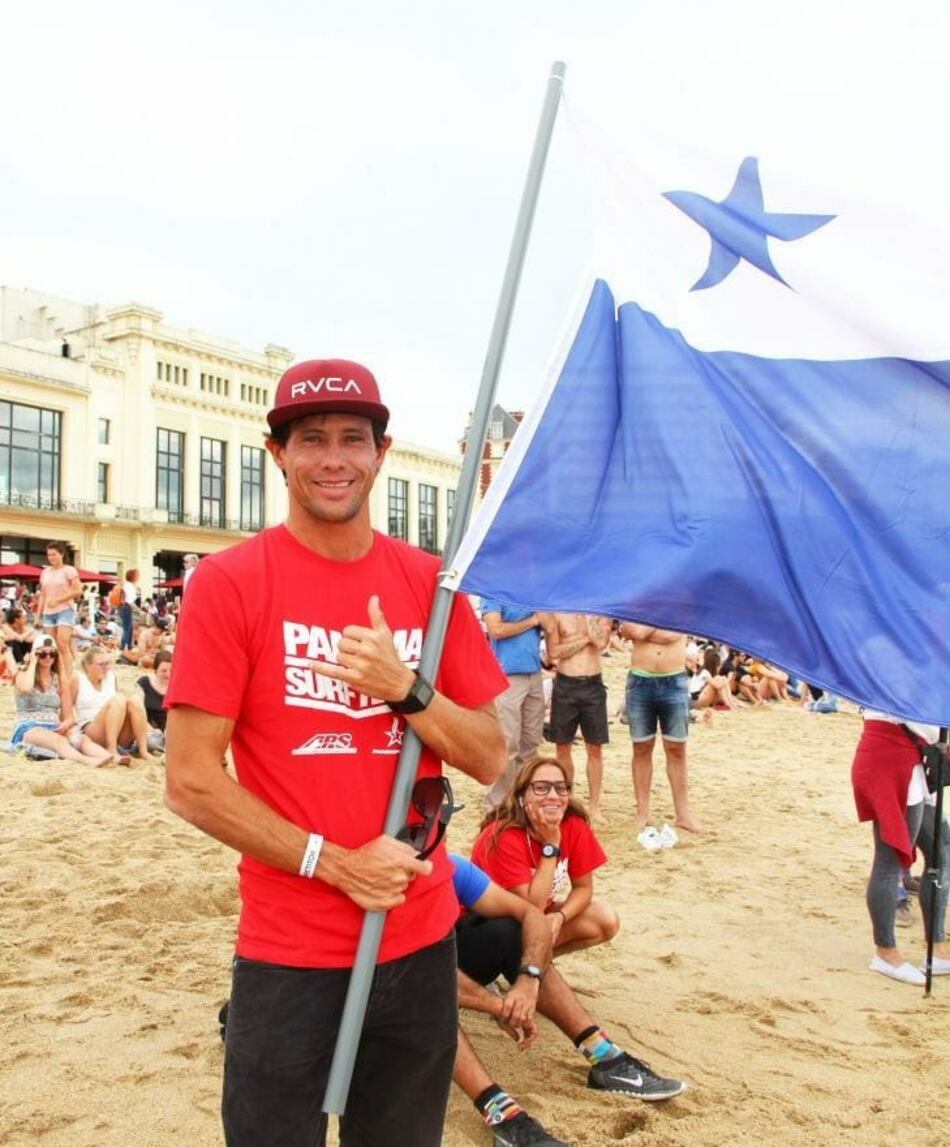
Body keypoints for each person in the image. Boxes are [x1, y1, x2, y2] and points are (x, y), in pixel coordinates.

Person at [163, 357, 508, 1147]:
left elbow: (491, 756)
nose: (333, 458)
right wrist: (335, 861)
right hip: (290, 950)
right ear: (276, 452)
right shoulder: (229, 583)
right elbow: (189, 780)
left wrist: (405, 687)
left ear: (381, 454)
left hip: (420, 940)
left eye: (353, 438)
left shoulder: (431, 584)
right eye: (310, 438)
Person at [452, 853, 686, 1146]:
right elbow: (421, 972)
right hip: (390, 990)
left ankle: (604, 1058)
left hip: (438, 966)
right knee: (423, 995)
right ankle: (502, 1115)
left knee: (510, 931)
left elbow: (531, 914)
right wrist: (496, 1005)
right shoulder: (385, 879)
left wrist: (528, 980)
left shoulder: (448, 866)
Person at [472, 757, 618, 956]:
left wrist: (560, 916)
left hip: (532, 919)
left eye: (561, 788)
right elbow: (533, 907)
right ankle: (521, 966)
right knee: (519, 929)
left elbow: (583, 888)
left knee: (604, 918)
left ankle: (535, 964)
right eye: (541, 788)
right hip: (489, 926)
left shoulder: (572, 824)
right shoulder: (503, 835)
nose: (553, 796)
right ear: (522, 796)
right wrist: (551, 846)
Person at [851, 711, 950, 984]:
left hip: (913, 758)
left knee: (941, 848)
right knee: (888, 860)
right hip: (892, 758)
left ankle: (938, 948)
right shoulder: (898, 673)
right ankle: (886, 952)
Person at [620, 624, 702, 834]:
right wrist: (654, 631)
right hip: (640, 680)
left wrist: (645, 630)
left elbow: (670, 635)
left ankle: (683, 814)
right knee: (641, 747)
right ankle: (643, 811)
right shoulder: (636, 599)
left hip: (674, 680)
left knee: (676, 749)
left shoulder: (679, 601)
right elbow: (635, 632)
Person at [539, 613, 611, 822]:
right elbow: (553, 653)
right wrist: (584, 639)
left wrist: (589, 621)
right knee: (563, 747)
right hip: (565, 684)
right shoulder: (559, 614)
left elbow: (600, 642)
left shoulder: (598, 613)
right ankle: (566, 799)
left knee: (595, 748)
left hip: (593, 684)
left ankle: (595, 805)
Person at [480, 600, 545, 810]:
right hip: (507, 675)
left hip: (533, 672)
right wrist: (533, 620)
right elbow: (495, 629)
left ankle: (522, 800)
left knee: (531, 743)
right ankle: (496, 804)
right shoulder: (494, 591)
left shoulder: (529, 589)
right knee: (507, 743)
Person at [11, 638, 113, 765]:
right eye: (42, 654)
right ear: (35, 655)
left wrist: (64, 725)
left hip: (53, 726)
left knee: (82, 739)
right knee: (59, 741)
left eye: (52, 654)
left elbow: (69, 716)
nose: (48, 657)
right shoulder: (23, 673)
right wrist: (32, 663)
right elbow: (26, 688)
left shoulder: (58, 679)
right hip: (28, 727)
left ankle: (111, 758)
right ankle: (88, 761)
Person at [67, 645, 154, 764]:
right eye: (101, 665)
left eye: (107, 664)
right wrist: (70, 730)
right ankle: (111, 749)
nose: (106, 668)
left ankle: (143, 751)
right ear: (88, 666)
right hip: (91, 728)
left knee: (134, 700)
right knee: (118, 699)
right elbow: (66, 708)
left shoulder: (111, 676)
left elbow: (123, 707)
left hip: (116, 727)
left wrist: (148, 727)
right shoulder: (78, 678)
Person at [36, 541, 81, 679]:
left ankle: (69, 675)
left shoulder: (69, 570)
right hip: (48, 613)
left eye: (54, 554)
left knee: (62, 643)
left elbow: (78, 590)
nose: (51, 557)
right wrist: (38, 615)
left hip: (65, 610)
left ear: (61, 554)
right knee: (52, 646)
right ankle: (57, 674)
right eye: (49, 555)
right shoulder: (45, 572)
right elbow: (43, 595)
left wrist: (59, 600)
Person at [136, 649, 172, 750]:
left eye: (171, 670)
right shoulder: (144, 683)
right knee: (151, 742)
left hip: (170, 732)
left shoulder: (176, 687)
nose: (168, 675)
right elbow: (138, 711)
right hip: (148, 729)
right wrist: (151, 729)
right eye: (163, 671)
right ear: (155, 669)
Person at [119, 568, 140, 652]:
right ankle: (124, 647)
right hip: (127, 607)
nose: (138, 577)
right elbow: (130, 601)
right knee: (127, 628)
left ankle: (128, 646)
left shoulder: (125, 585)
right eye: (137, 575)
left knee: (129, 628)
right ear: (133, 577)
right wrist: (139, 610)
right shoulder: (130, 586)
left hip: (123, 607)